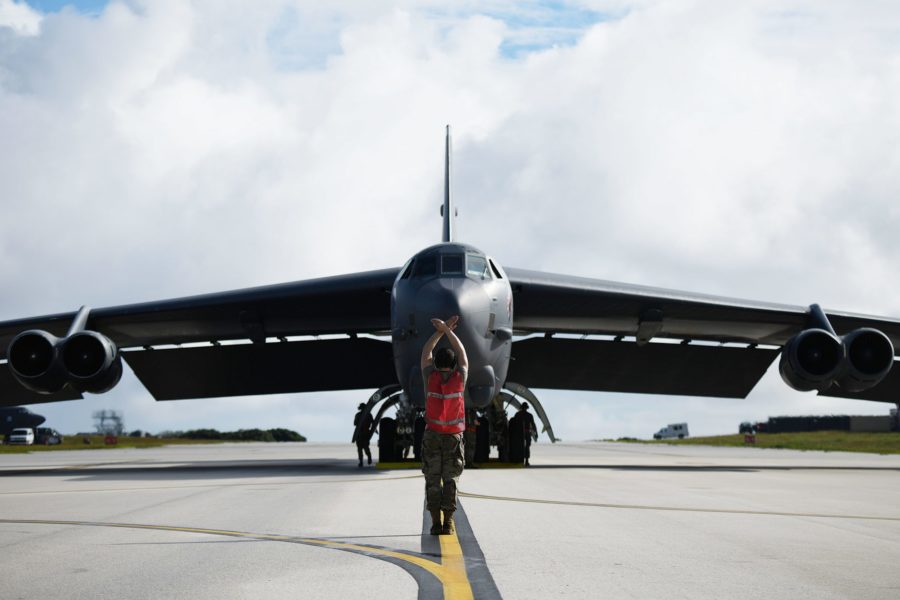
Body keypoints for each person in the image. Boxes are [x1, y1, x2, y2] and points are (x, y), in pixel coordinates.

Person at [421, 315, 468, 535]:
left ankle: (434, 523)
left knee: (432, 480)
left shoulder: (429, 377)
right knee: (450, 481)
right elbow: (462, 354)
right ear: (453, 364)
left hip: (432, 436)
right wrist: (449, 331)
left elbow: (425, 353)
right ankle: (448, 523)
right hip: (453, 438)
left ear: (436, 364)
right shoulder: (460, 376)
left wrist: (440, 331)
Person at [353, 403, 373, 467]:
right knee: (365, 447)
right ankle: (368, 457)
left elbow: (355, 423)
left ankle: (361, 461)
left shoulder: (358, 415)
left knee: (360, 448)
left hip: (360, 433)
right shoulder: (369, 415)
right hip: (365, 433)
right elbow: (372, 423)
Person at [518, 402, 538, 467]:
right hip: (526, 433)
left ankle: (523, 460)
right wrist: (536, 433)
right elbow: (533, 424)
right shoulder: (529, 415)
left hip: (521, 433)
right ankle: (526, 461)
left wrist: (536, 432)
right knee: (527, 447)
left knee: (522, 447)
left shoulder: (518, 414)